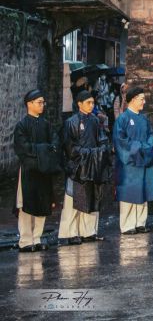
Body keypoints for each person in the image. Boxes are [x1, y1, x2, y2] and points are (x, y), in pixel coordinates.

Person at [58, 90, 111, 245]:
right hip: (78, 168)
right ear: (79, 104)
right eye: (88, 102)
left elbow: (102, 140)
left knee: (92, 198)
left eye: (93, 102)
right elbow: (69, 148)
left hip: (93, 165)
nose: (91, 105)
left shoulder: (95, 121)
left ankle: (89, 232)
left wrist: (99, 152)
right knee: (74, 200)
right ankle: (72, 232)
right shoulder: (71, 122)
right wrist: (90, 153)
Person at [14, 89, 61, 252]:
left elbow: (55, 144)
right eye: (39, 102)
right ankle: (26, 240)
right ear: (30, 104)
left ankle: (37, 237)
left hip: (44, 170)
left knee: (43, 202)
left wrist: (44, 152)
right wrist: (43, 151)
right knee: (26, 205)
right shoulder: (21, 126)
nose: (42, 105)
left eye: (43, 102)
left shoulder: (47, 125)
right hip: (29, 170)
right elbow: (22, 148)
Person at [114, 86, 153, 234]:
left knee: (143, 192)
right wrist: (138, 148)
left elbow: (151, 137)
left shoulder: (144, 119)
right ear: (133, 100)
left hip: (143, 160)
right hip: (129, 164)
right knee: (129, 192)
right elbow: (120, 141)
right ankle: (127, 225)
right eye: (142, 99)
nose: (144, 102)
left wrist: (145, 149)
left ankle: (140, 222)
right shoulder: (123, 119)